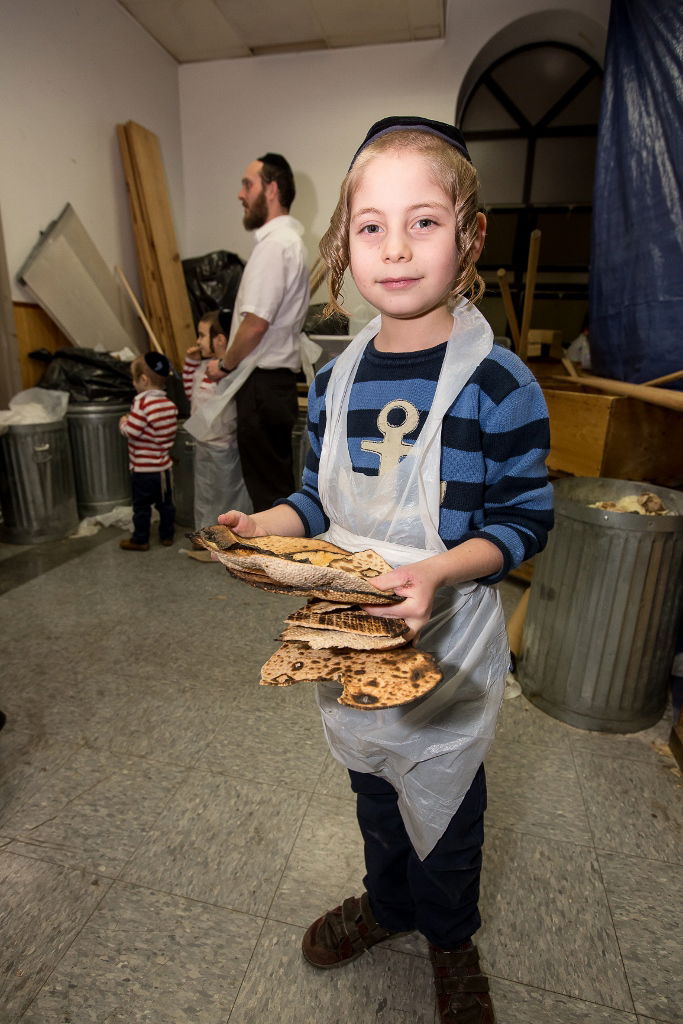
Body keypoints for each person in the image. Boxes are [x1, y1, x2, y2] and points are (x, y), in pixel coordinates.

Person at [215, 116, 554, 1023]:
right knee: (372, 788)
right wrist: (268, 525)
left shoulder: (499, 386)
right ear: (342, 243)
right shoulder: (336, 380)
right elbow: (323, 504)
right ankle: (388, 904)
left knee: (444, 809)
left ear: (469, 235)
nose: (395, 249)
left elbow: (526, 522)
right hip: (353, 635)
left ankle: (449, 938)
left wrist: (442, 571)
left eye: (424, 222)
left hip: (445, 649)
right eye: (371, 225)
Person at [204, 152, 310, 512]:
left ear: (272, 189)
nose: (240, 194)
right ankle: (283, 564)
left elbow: (255, 324)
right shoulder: (285, 243)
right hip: (270, 385)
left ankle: (280, 566)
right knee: (274, 488)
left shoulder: (276, 245)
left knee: (269, 497)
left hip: (261, 386)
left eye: (247, 185)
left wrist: (224, 364)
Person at [182, 310, 251, 532]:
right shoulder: (204, 367)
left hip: (224, 447)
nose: (198, 341)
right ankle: (206, 535)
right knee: (206, 493)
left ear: (219, 339)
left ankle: (225, 535)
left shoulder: (227, 371)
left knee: (224, 495)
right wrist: (190, 363)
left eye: (202, 335)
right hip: (204, 445)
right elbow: (190, 393)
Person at [119, 351, 178, 551]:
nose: (133, 384)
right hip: (163, 469)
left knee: (142, 507)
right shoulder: (169, 404)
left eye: (134, 380)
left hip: (143, 470)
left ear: (143, 380)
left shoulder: (142, 403)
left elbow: (133, 431)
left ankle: (140, 539)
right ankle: (167, 535)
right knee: (166, 505)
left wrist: (124, 422)